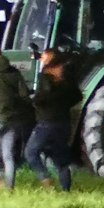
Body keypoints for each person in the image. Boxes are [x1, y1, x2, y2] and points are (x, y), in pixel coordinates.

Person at [0, 41, 35, 189]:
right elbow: (25, 95)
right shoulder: (14, 71)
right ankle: (10, 188)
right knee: (8, 154)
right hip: (14, 118)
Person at [26, 49, 76, 190]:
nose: (42, 58)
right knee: (60, 159)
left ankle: (47, 182)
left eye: (44, 56)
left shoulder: (46, 76)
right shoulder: (68, 77)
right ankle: (66, 190)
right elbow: (77, 96)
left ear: (51, 59)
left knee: (31, 153)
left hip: (47, 121)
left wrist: (36, 101)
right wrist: (63, 104)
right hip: (64, 122)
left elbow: (44, 95)